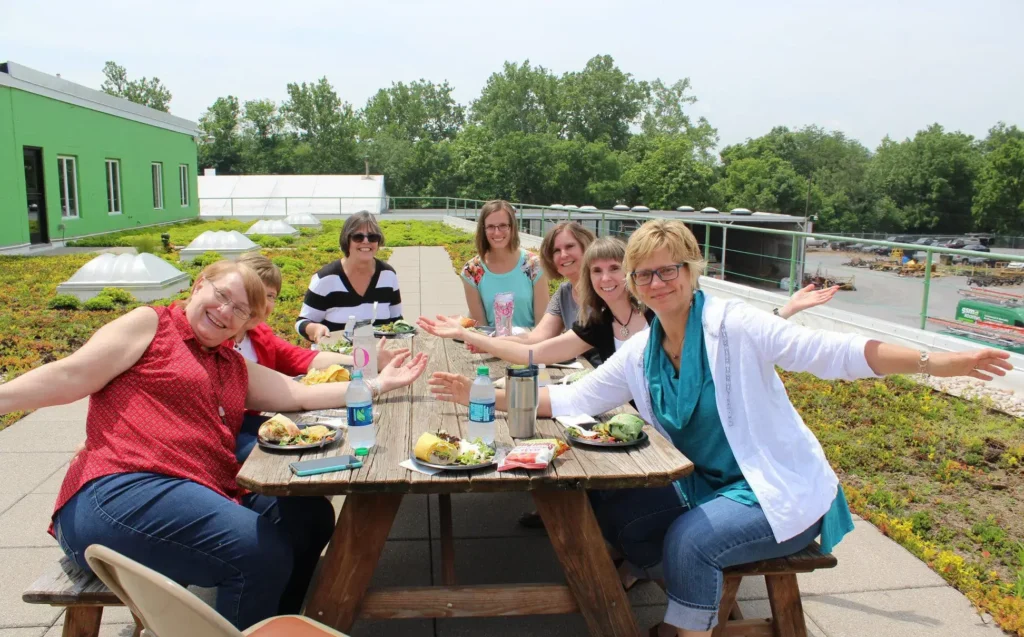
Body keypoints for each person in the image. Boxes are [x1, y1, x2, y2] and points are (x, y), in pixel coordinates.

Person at [429, 220, 1011, 637]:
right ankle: (688, 589)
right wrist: (483, 393)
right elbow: (574, 396)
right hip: (705, 485)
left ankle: (687, 624)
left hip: (773, 490)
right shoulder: (643, 348)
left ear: (691, 270)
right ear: (632, 283)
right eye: (645, 274)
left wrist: (937, 361)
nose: (657, 283)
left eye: (669, 270)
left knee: (691, 542)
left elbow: (830, 351)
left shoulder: (733, 325)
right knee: (612, 502)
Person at [0, 260, 428, 630]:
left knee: (309, 517)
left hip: (188, 487)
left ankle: (275, 624)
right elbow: (70, 375)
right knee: (260, 552)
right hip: (116, 491)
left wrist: (376, 383)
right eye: (222, 295)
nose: (225, 312)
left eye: (240, 311)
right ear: (200, 284)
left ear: (245, 326)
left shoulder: (228, 362)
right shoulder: (151, 325)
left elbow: (295, 395)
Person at [231, 253, 410, 463]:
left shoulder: (258, 334)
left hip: (257, 423)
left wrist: (366, 361)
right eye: (253, 293)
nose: (261, 303)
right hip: (230, 435)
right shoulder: (219, 343)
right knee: (315, 456)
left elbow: (304, 358)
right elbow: (299, 395)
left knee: (336, 451)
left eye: (270, 296)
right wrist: (376, 385)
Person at [423, 237, 651, 368]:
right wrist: (472, 337)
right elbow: (534, 349)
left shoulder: (653, 313)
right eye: (597, 271)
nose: (605, 278)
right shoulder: (596, 320)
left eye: (614, 268)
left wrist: (477, 340)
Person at [297, 211, 402, 343]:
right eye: (358, 237)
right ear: (347, 240)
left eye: (373, 237)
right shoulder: (325, 279)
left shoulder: (388, 275)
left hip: (378, 356)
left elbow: (396, 320)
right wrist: (315, 329)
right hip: (336, 357)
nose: (366, 241)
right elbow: (302, 323)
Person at [460, 200, 549, 329]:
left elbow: (542, 325)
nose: (497, 232)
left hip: (530, 346)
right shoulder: (472, 271)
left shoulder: (534, 265)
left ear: (512, 227)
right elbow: (482, 327)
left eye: (503, 225)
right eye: (490, 226)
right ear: (483, 230)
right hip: (491, 346)